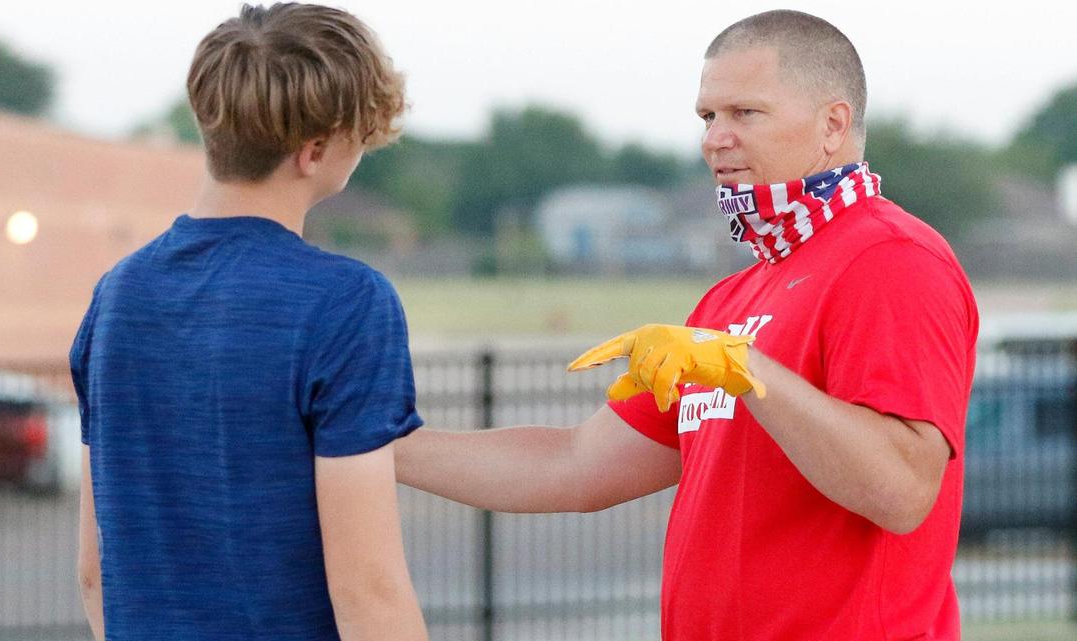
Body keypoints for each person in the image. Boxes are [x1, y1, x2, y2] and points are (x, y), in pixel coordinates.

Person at [396, 9, 977, 641]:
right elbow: (576, 464)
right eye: (707, 117)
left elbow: (901, 491)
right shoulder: (731, 296)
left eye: (744, 114)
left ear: (833, 124)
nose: (714, 139)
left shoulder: (890, 259)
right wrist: (375, 448)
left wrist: (746, 367)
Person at [70, 4, 428, 640]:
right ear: (314, 150)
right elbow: (369, 595)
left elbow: (95, 571)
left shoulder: (117, 295)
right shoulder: (345, 303)